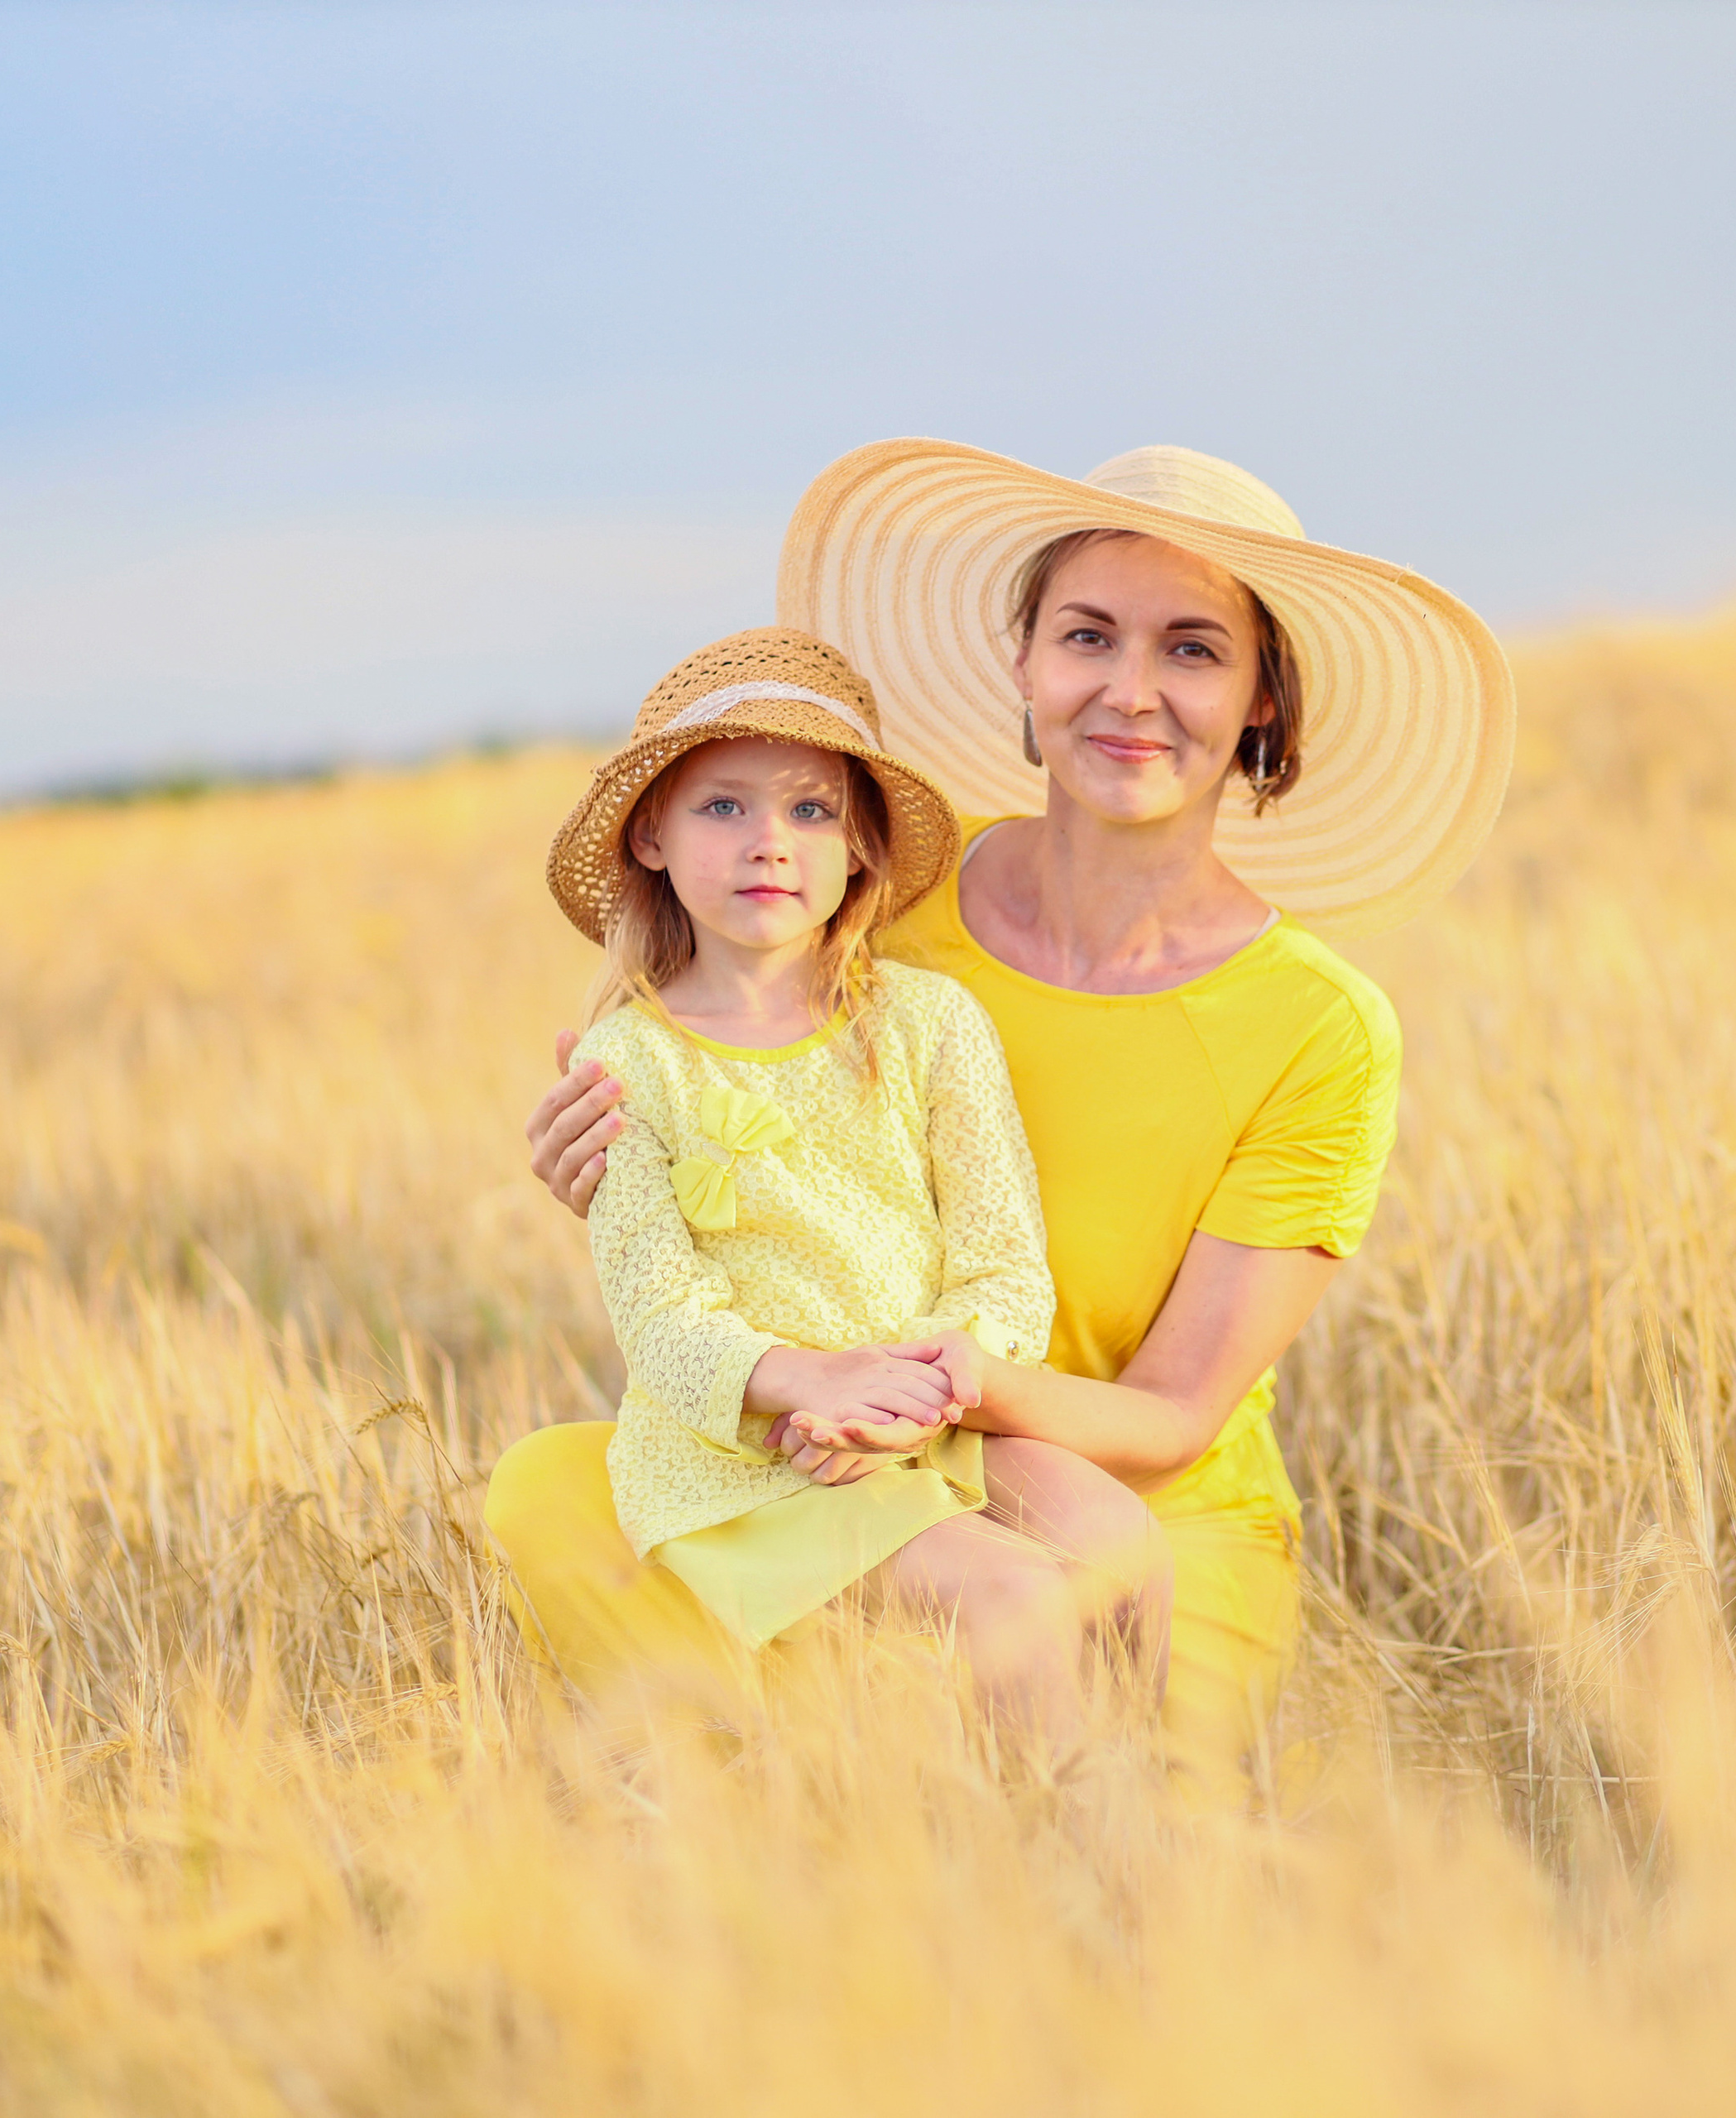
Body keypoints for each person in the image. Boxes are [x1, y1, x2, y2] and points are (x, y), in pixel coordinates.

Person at [491, 441, 1515, 1790]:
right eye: (1087, 635)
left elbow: (1173, 1413)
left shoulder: (1318, 1028)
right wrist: (624, 1164)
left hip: (1135, 1506)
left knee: (1094, 1767)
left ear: (1264, 702)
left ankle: (889, 1778)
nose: (1131, 689)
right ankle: (816, 1779)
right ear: (1023, 664)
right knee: (549, 1491)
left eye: (1195, 649)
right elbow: (724, 1094)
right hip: (837, 1456)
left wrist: (945, 1391)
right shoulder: (874, 902)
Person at [525, 623, 1171, 1742]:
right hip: (753, 1457)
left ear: (862, 848)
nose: (768, 842)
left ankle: (1164, 1819)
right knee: (1016, 1599)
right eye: (723, 806)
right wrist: (807, 1386)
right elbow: (662, 1323)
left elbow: (1004, 1263)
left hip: (933, 1409)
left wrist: (910, 1393)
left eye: (810, 811)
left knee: (1121, 1545)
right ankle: (1097, 1889)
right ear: (651, 839)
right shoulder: (629, 1064)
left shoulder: (928, 1025)